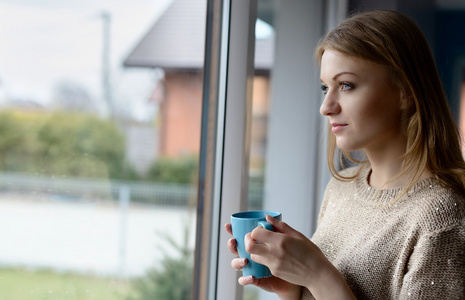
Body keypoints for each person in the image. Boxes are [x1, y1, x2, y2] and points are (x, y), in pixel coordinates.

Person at [225, 10, 465, 300]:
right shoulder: (343, 187)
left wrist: (317, 273)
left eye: (346, 85)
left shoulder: (441, 217)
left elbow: (326, 282)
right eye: (326, 87)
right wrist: (294, 288)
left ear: (405, 91)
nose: (326, 106)